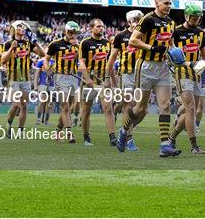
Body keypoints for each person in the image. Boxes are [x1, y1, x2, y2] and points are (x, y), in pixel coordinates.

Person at [116, 0, 181, 157]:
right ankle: (124, 130)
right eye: (166, 3)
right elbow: (133, 40)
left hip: (162, 68)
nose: (168, 6)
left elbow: (170, 43)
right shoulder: (148, 19)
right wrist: (151, 48)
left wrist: (175, 53)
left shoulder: (171, 22)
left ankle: (165, 145)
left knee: (165, 105)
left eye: (170, 3)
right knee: (140, 108)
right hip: (145, 66)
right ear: (157, 3)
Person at [167, 4, 205, 154]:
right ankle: (194, 146)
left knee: (190, 112)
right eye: (194, 18)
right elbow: (169, 50)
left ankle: (171, 139)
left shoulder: (201, 33)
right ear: (187, 17)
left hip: (197, 75)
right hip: (182, 73)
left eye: (199, 17)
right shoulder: (176, 31)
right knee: (191, 108)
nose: (197, 20)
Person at [2, 21, 45, 138]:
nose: (22, 28)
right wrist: (11, 48)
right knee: (16, 104)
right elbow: (3, 60)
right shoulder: (8, 43)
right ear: (14, 29)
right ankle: (9, 124)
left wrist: (35, 42)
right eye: (20, 26)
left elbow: (43, 54)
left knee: (24, 105)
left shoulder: (28, 43)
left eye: (23, 27)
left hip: (25, 79)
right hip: (13, 79)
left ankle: (20, 131)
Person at [108, 10, 144, 151]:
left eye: (140, 19)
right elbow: (112, 57)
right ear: (129, 21)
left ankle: (124, 128)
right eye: (135, 19)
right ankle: (129, 139)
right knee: (128, 105)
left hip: (142, 73)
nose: (138, 21)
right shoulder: (120, 36)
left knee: (142, 109)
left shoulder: (145, 35)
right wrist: (107, 77)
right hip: (126, 73)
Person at [78, 18, 115, 146]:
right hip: (89, 83)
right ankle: (86, 136)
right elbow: (81, 63)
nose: (101, 29)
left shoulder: (107, 43)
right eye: (98, 26)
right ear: (91, 28)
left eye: (102, 26)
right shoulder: (85, 43)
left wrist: (111, 80)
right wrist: (87, 79)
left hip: (102, 83)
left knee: (108, 108)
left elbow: (110, 64)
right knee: (86, 110)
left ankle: (112, 137)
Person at [45, 21, 81, 144]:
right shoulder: (55, 44)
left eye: (75, 33)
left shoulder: (78, 45)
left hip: (73, 77)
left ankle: (57, 130)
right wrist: (47, 69)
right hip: (60, 77)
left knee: (68, 107)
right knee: (64, 106)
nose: (73, 35)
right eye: (71, 32)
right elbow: (47, 58)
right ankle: (69, 133)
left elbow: (84, 58)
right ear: (66, 31)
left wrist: (78, 45)